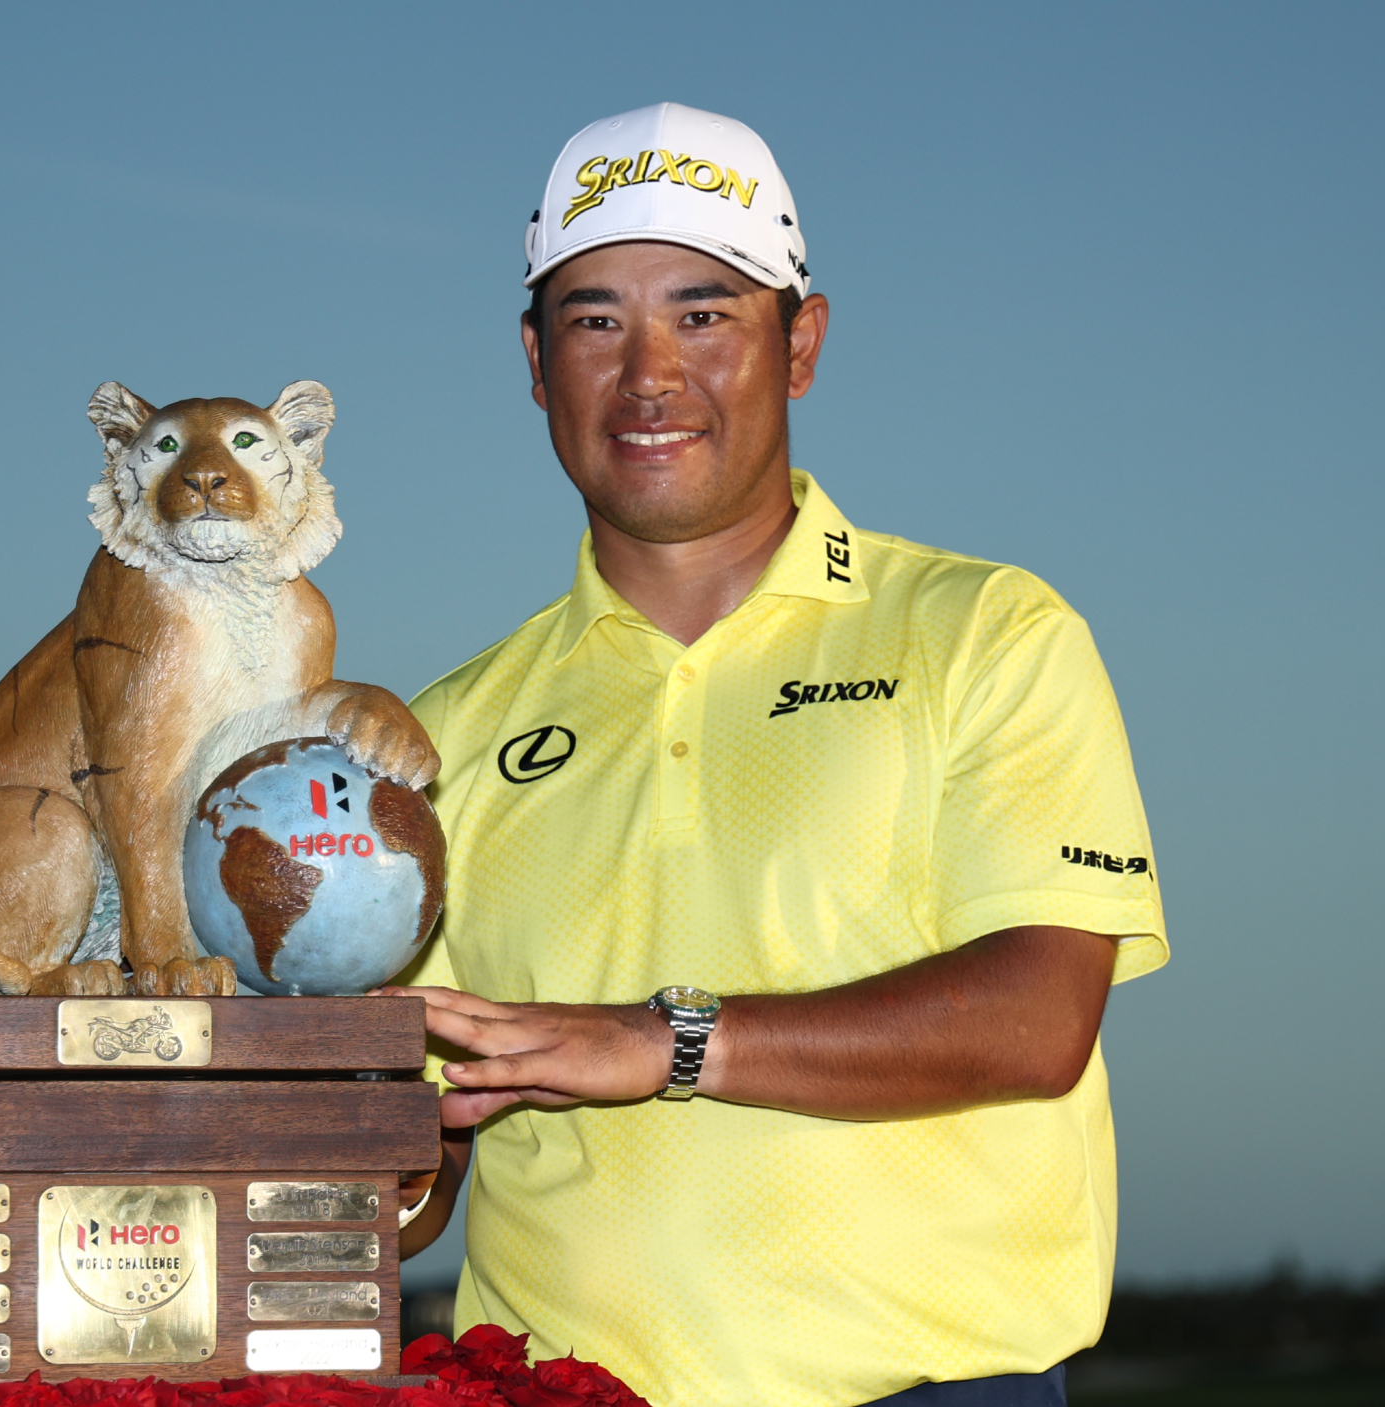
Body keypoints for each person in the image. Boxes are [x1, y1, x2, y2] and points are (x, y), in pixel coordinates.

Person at [387, 103, 1168, 1407]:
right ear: (534, 363)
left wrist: (670, 1043)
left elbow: (1041, 1018)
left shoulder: (989, 633)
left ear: (799, 342)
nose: (648, 375)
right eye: (595, 320)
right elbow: (419, 1153)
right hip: (553, 1391)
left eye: (703, 314)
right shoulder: (444, 731)